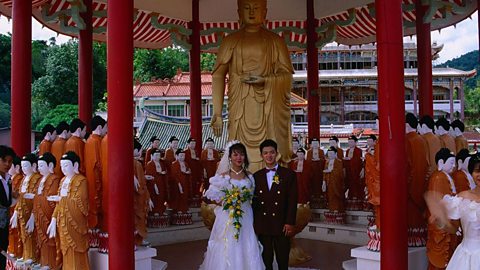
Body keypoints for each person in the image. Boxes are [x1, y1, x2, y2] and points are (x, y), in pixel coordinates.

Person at [210, 0, 294, 172]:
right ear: (239, 12)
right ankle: (239, 188)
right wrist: (217, 113)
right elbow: (218, 74)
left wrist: (266, 80)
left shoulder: (275, 41)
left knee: (270, 149)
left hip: (268, 109)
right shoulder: (230, 41)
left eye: (256, 8)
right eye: (246, 8)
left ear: (265, 12)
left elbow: (287, 76)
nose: (251, 12)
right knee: (239, 149)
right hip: (240, 106)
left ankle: (270, 185)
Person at [200, 141, 264, 270]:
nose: (239, 158)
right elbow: (212, 196)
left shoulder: (250, 177)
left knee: (246, 241)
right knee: (227, 243)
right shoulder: (222, 177)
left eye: (241, 154)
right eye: (235, 155)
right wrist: (228, 200)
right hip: (227, 217)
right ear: (229, 157)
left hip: (245, 215)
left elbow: (253, 196)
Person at [426, 154, 480, 269]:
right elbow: (454, 229)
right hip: (466, 256)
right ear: (472, 173)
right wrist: (440, 221)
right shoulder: (462, 198)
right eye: (477, 171)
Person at [253, 139, 297, 270]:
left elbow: (292, 200)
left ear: (276, 153)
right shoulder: (256, 176)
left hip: (282, 224)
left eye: (272, 152)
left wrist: (289, 222)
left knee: (283, 259)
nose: (269, 156)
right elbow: (254, 202)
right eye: (265, 153)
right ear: (261, 155)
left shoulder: (288, 174)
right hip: (263, 224)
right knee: (266, 260)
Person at [47, 151, 89, 269]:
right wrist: (54, 218)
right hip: (63, 222)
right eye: (61, 166)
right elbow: (59, 204)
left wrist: (62, 199)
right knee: (65, 251)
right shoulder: (62, 181)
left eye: (66, 165)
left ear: (75, 165)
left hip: (75, 223)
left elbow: (80, 203)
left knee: (75, 251)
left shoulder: (81, 181)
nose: (63, 169)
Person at [425, 148, 459, 270]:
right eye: (451, 163)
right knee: (440, 260)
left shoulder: (447, 177)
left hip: (449, 224)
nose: (453, 166)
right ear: (441, 163)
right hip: (441, 226)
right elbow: (440, 203)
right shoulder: (438, 178)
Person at [31, 153, 60, 268]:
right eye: (39, 166)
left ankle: (51, 264)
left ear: (50, 165)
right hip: (38, 212)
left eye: (42, 166)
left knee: (50, 240)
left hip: (48, 214)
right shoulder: (40, 180)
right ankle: (44, 261)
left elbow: (52, 197)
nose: (39, 168)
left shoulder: (55, 179)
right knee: (41, 239)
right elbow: (38, 196)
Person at [405, 113, 429, 247]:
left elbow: (406, 165)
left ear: (406, 125)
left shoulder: (407, 140)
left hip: (409, 186)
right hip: (421, 183)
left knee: (410, 217)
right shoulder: (421, 139)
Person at [0, 145, 15, 269]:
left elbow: (7, 201)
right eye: (4, 161)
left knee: (3, 252)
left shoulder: (8, 179)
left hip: (4, 224)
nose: (7, 164)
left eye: (10, 161)